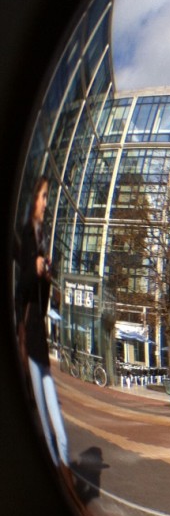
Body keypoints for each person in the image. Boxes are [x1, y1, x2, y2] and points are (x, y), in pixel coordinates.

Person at [16, 177, 74, 489]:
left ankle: (64, 471)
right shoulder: (27, 234)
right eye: (42, 196)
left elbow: (42, 292)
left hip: (41, 338)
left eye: (47, 197)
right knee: (44, 420)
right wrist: (34, 268)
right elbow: (21, 287)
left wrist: (47, 273)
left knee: (58, 423)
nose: (45, 203)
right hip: (31, 339)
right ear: (31, 200)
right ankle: (58, 477)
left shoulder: (41, 237)